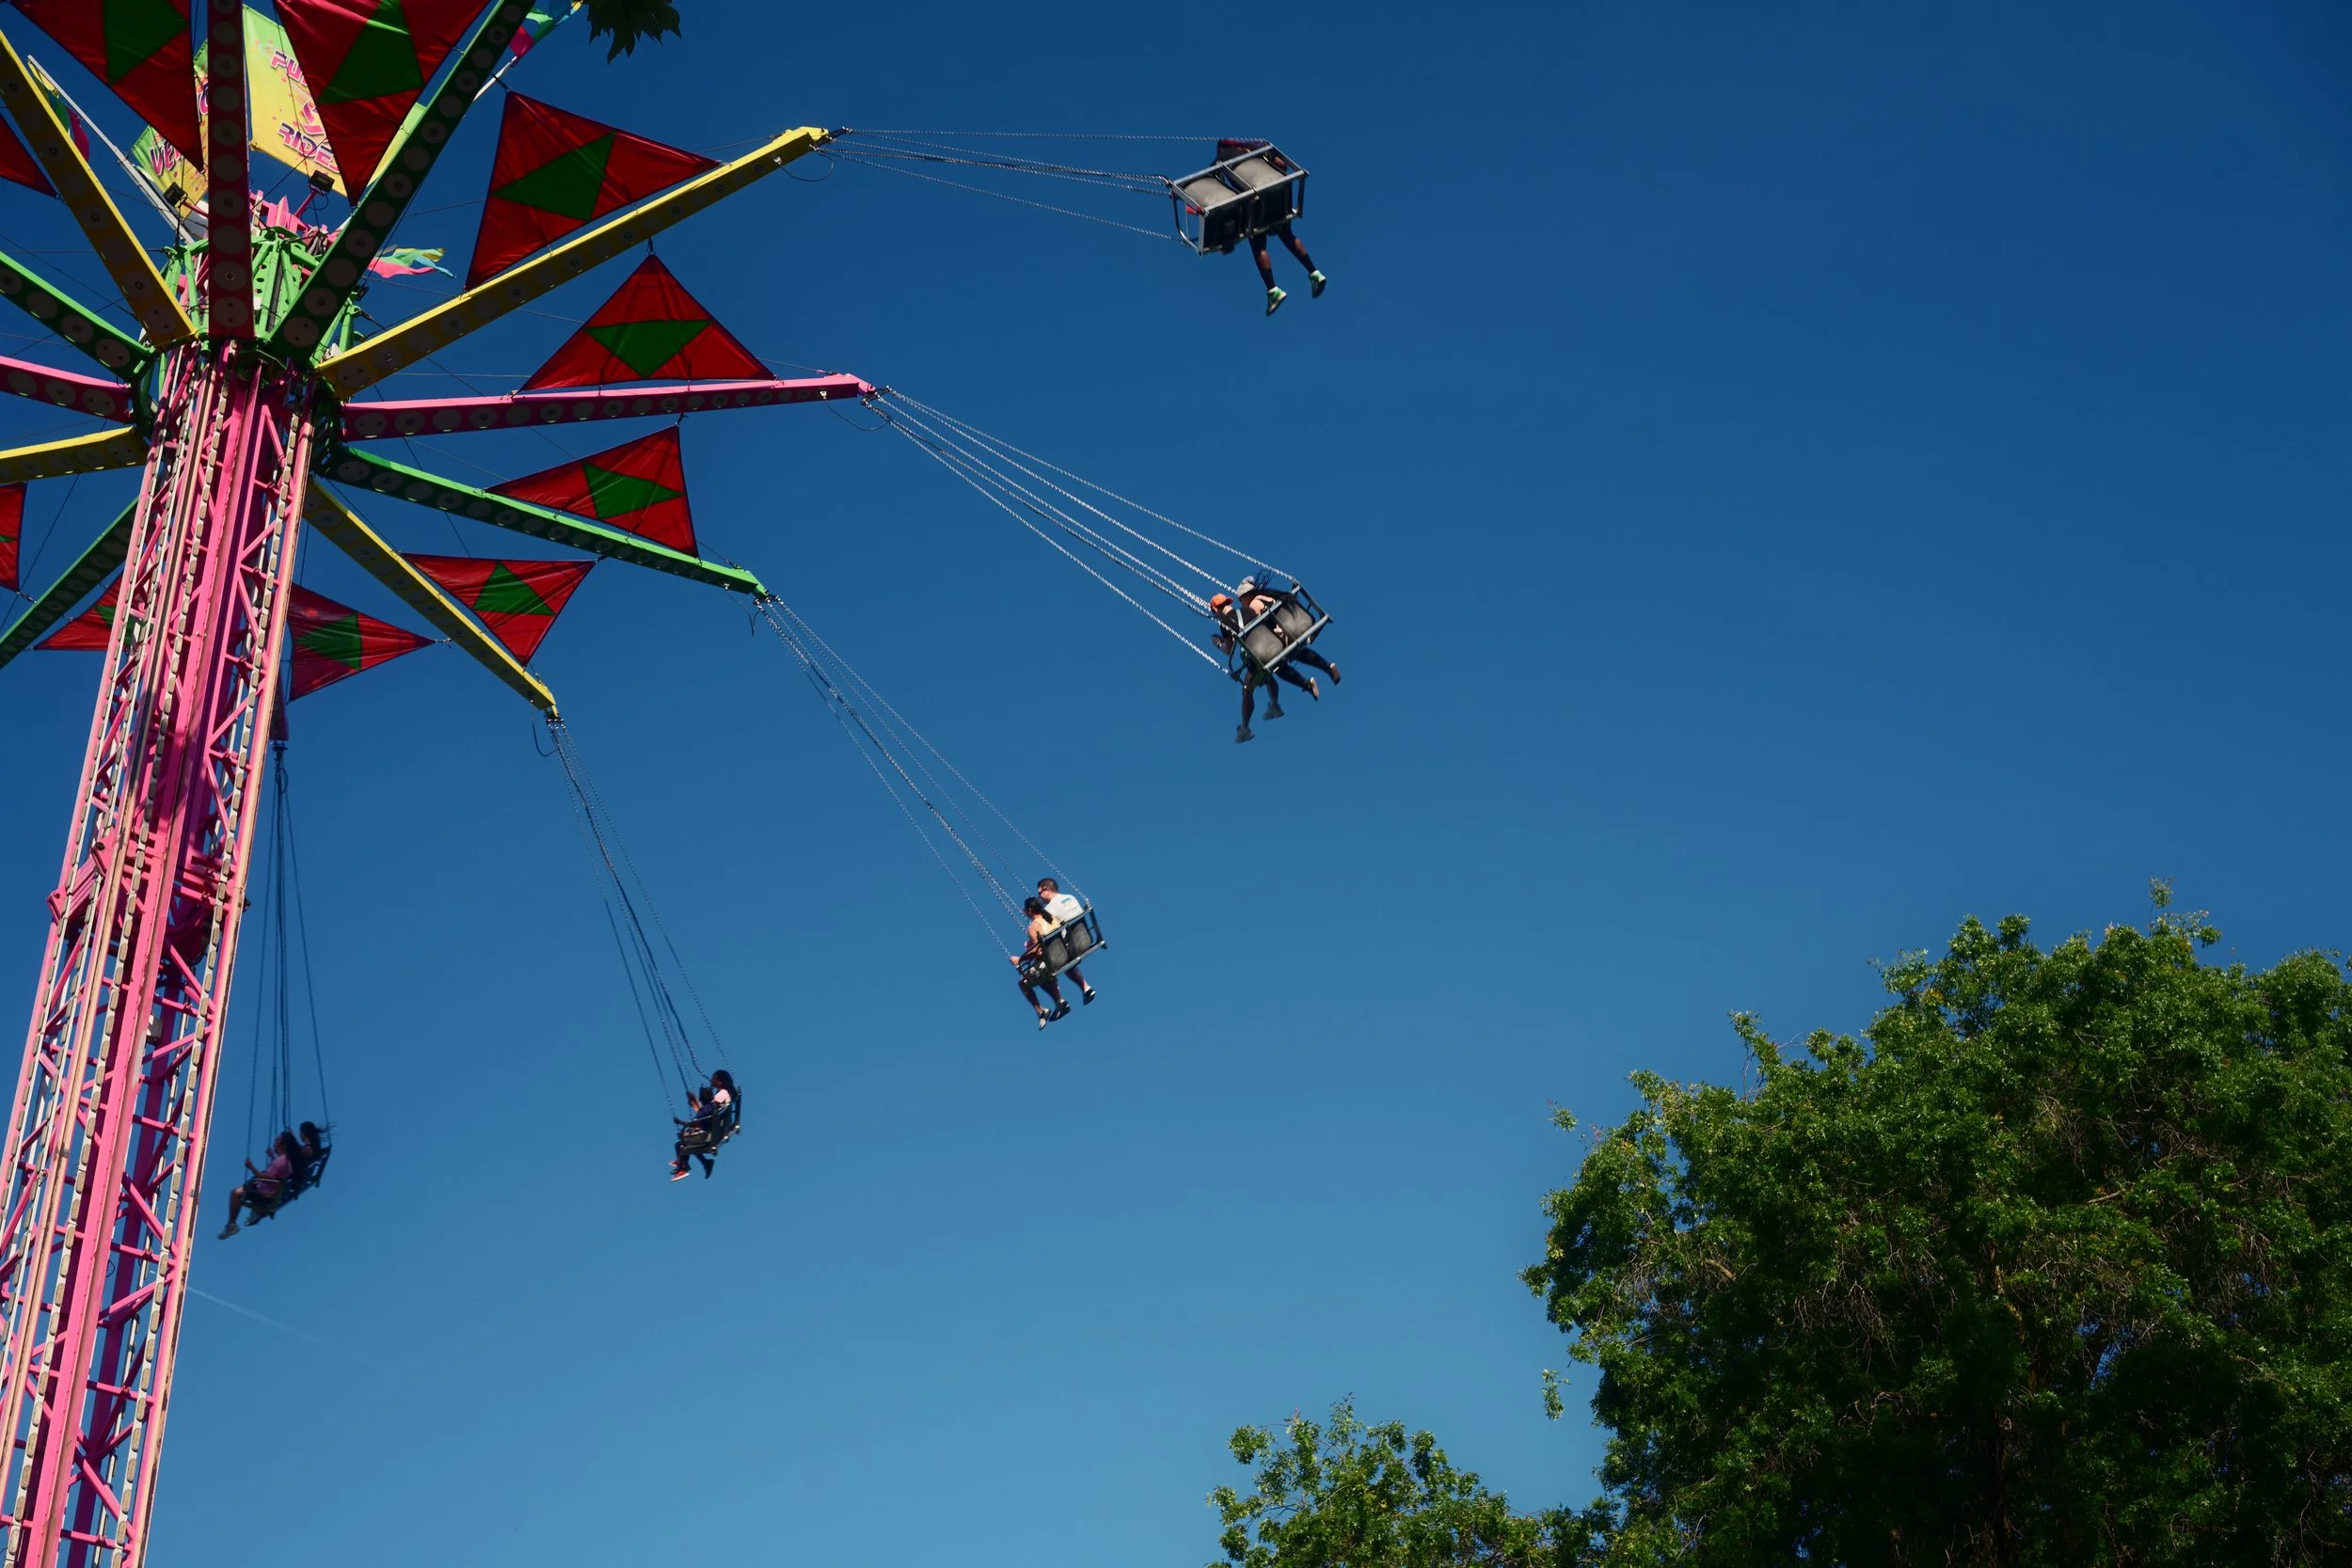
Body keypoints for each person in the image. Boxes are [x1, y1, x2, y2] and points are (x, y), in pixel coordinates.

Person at [1214, 139, 1327, 316]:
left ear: (1223, 148)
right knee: (1287, 235)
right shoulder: (1257, 151)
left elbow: (1212, 181)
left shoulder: (1224, 156)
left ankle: (1273, 291)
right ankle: (1314, 272)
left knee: (1258, 244)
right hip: (1279, 197)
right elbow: (1282, 165)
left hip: (1258, 204)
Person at [1211, 591, 1318, 744]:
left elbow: (1229, 651)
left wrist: (1219, 643)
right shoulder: (1247, 610)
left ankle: (1245, 729)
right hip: (1273, 644)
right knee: (1268, 673)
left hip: (1258, 654)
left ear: (1216, 610)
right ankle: (1276, 704)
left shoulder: (1224, 623)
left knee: (1247, 690)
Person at [217, 1131, 298, 1238]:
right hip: (274, 1191)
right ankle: (257, 1212)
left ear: (282, 1144)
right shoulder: (288, 1160)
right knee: (254, 1181)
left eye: (278, 1139)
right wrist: (272, 1156)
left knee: (235, 1193)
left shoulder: (279, 1162)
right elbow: (280, 1169)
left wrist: (250, 1166)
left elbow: (264, 1177)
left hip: (264, 1194)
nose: (275, 1140)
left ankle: (231, 1225)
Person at [1011, 895, 1071, 1028]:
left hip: (1050, 960)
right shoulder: (1052, 919)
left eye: (1024, 910)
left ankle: (1041, 1011)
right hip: (1064, 954)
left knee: (1023, 983)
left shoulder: (1034, 926)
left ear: (1030, 910)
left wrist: (1019, 959)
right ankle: (1060, 1002)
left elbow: (1038, 950)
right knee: (1040, 977)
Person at [1036, 879, 1097, 1005]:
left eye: (1039, 893)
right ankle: (1086, 988)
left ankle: (1059, 1001)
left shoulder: (1049, 908)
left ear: (1047, 890)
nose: (1040, 898)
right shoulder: (1070, 897)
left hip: (1073, 945)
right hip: (1087, 938)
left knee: (1056, 962)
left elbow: (1050, 929)